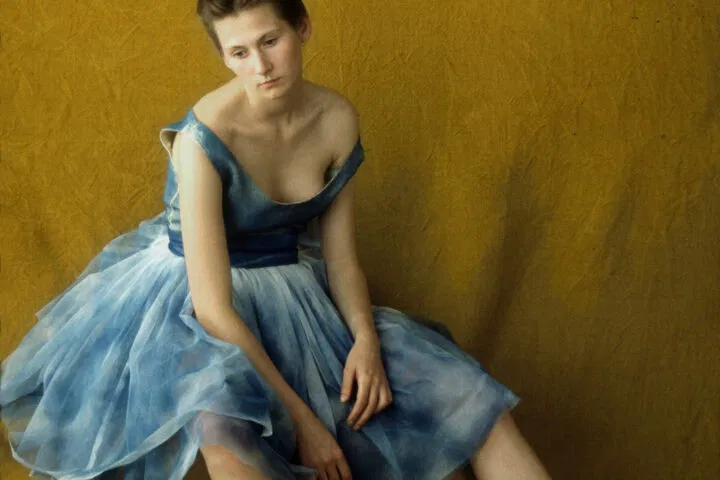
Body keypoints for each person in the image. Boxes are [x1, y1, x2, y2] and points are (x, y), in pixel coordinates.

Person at [0, 1, 551, 479]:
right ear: (223, 57)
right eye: (239, 52)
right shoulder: (203, 139)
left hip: (296, 292)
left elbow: (342, 263)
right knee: (222, 420)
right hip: (193, 306)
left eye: (270, 41)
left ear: (302, 28)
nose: (260, 67)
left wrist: (364, 340)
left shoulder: (337, 119)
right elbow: (214, 310)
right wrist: (303, 421)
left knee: (469, 395)